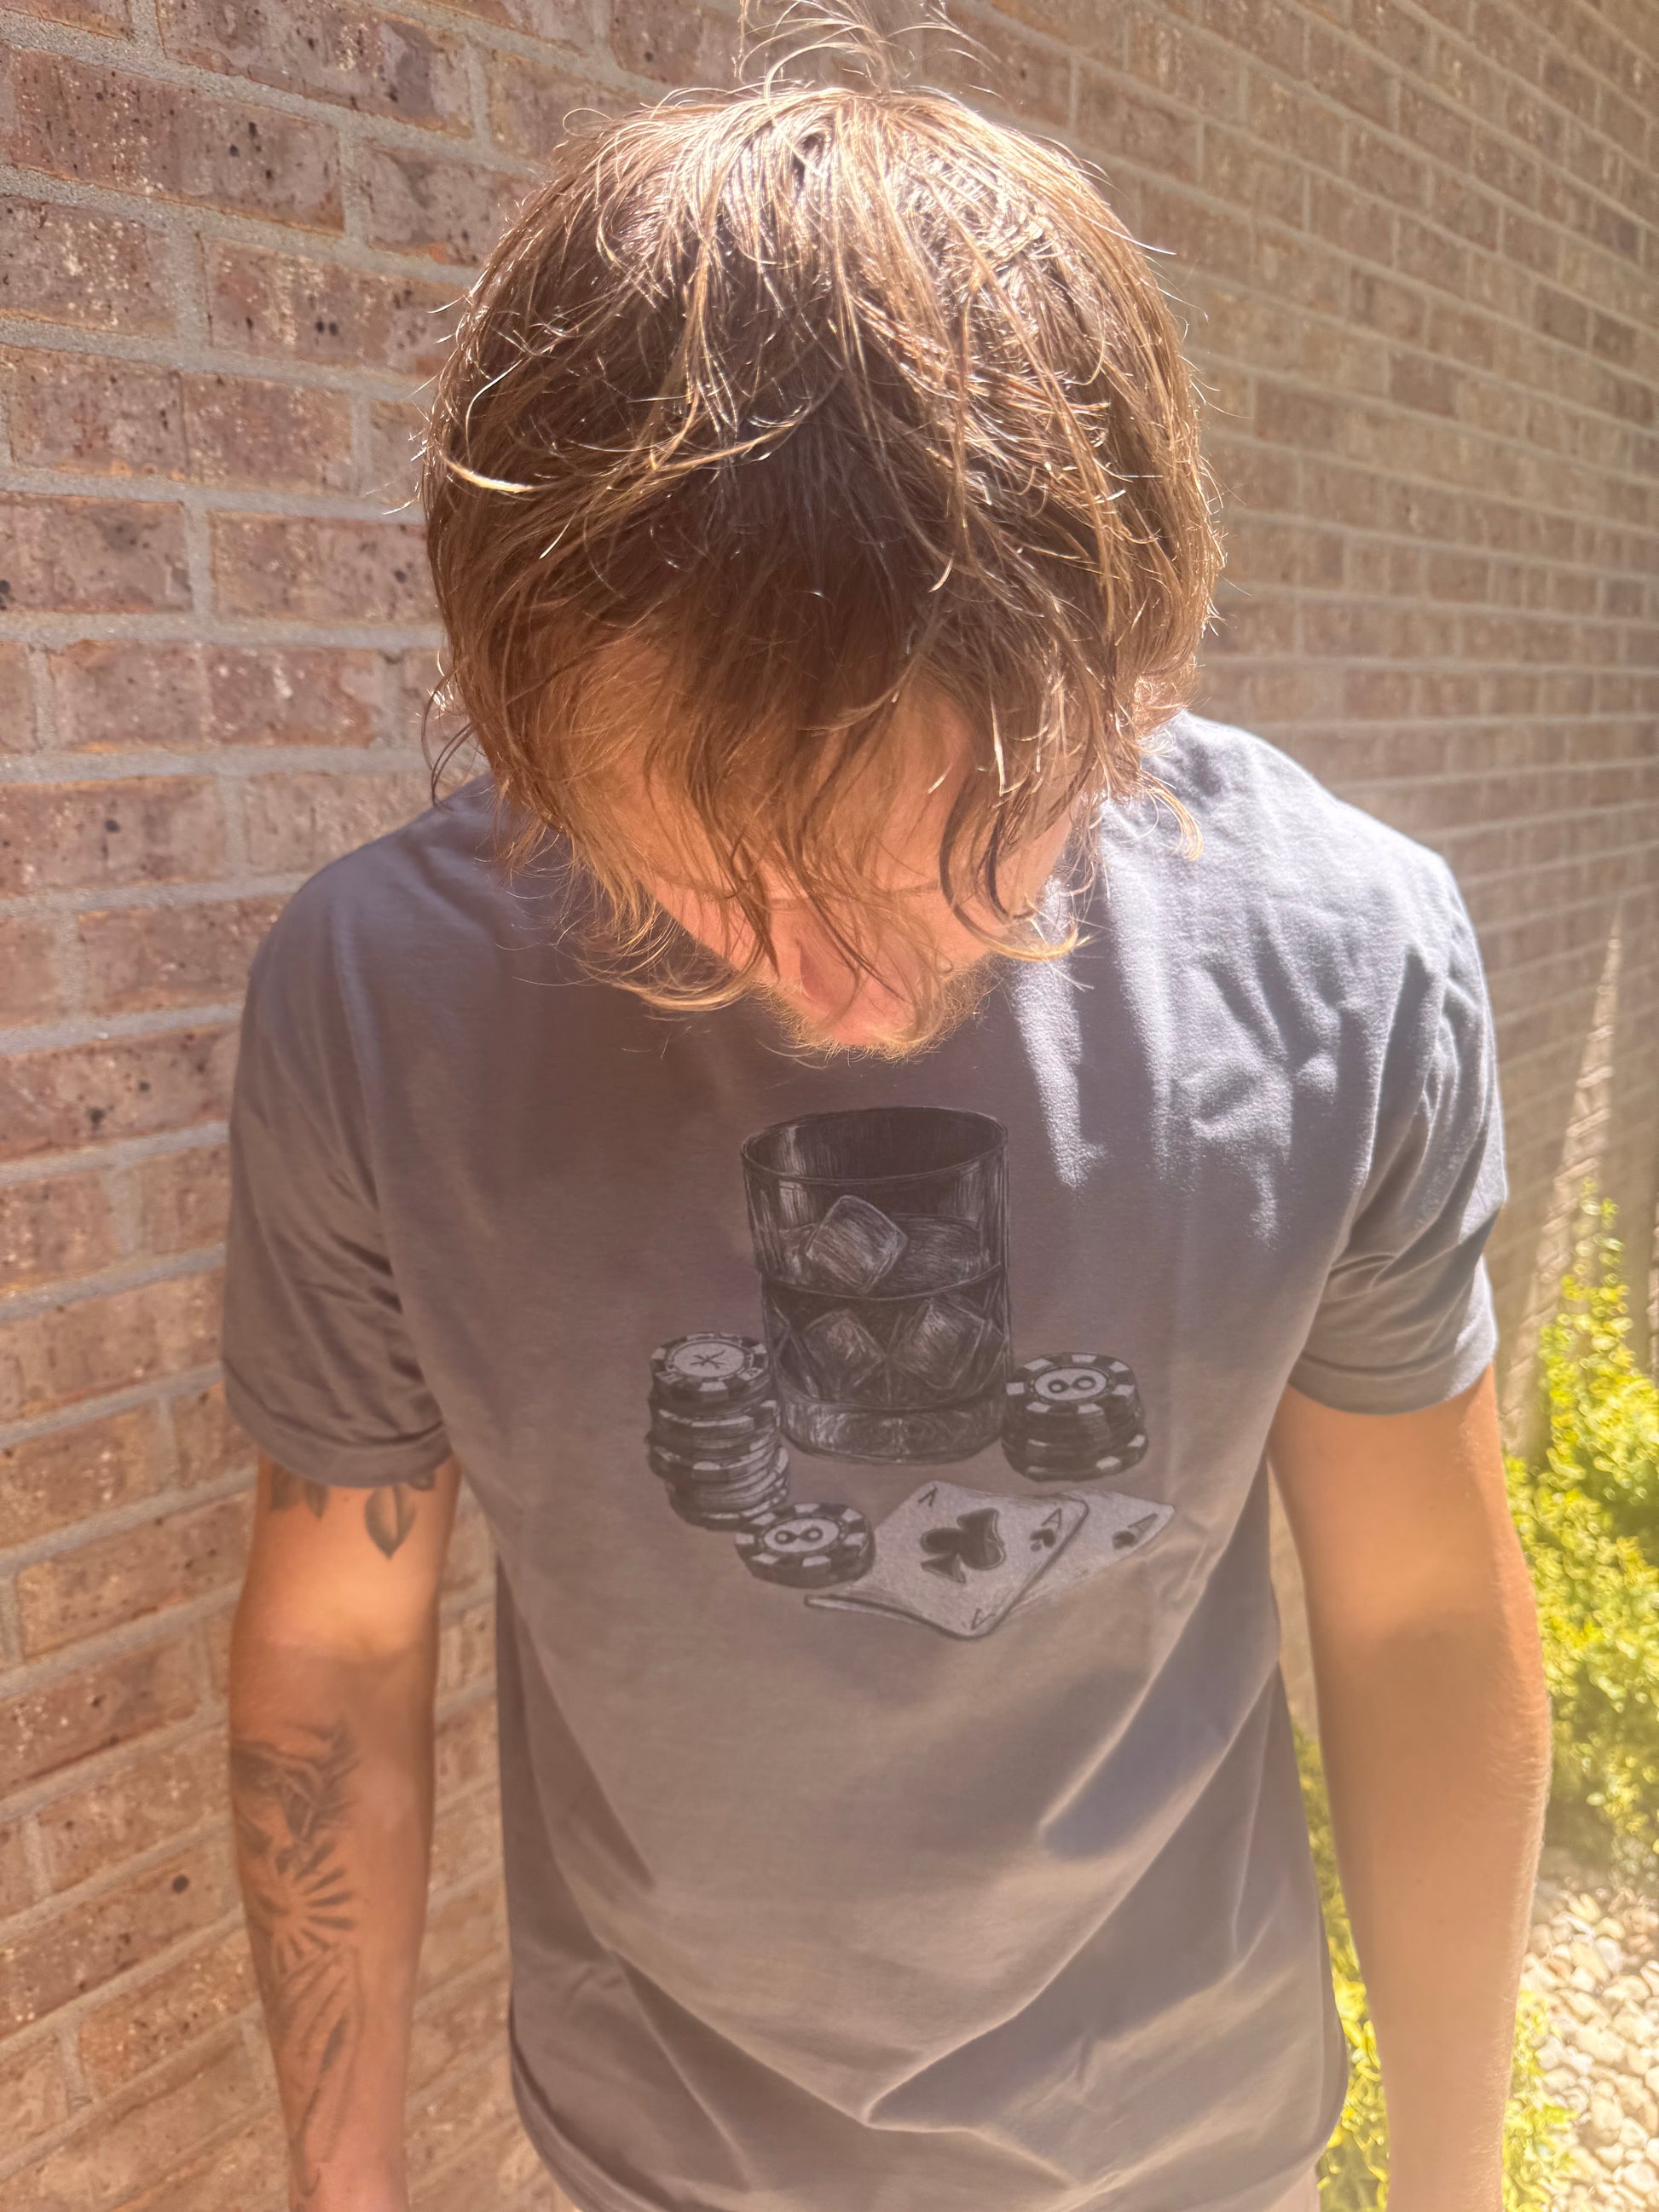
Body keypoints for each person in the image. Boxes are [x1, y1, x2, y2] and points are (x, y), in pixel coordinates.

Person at [222, 24, 1551, 2212]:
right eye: (715, 892)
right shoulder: (381, 997)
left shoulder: (1341, 957)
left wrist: (1456, 2182)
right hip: (653, 2149)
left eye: (959, 865)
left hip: (1189, 2145)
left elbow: (1416, 1608)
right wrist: (342, 2189)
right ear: (537, 759)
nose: (839, 992)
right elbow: (336, 1645)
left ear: (1130, 687)